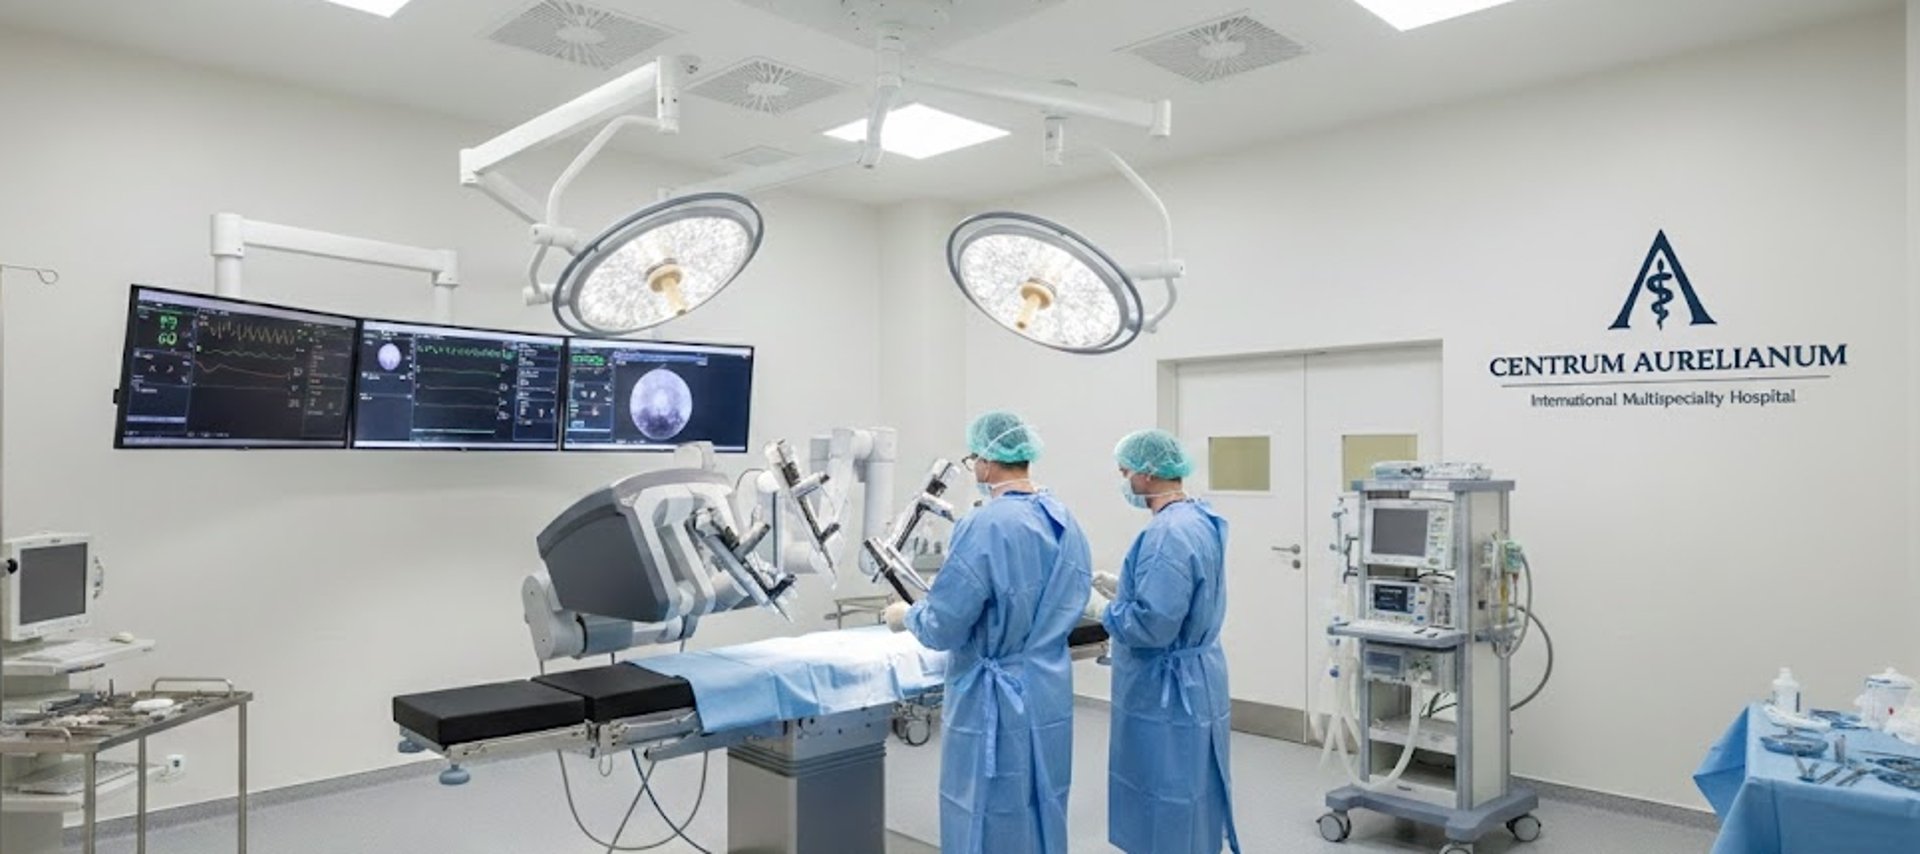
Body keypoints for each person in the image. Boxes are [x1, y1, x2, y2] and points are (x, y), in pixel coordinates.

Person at [884, 411, 1093, 854]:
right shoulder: (1062, 517)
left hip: (993, 696)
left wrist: (908, 616)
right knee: (1043, 795)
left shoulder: (985, 524)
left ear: (986, 462)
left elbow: (944, 624)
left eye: (973, 458)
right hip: (1047, 682)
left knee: (986, 803)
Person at [1094, 428, 1240, 854]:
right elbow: (1187, 591)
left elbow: (1153, 626)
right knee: (1196, 784)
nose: (1124, 481)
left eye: (1126, 472)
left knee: (1166, 785)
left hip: (1166, 686)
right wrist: (1126, 586)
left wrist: (1103, 611)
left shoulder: (1165, 535)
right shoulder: (1199, 518)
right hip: (1199, 676)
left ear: (1148, 473)